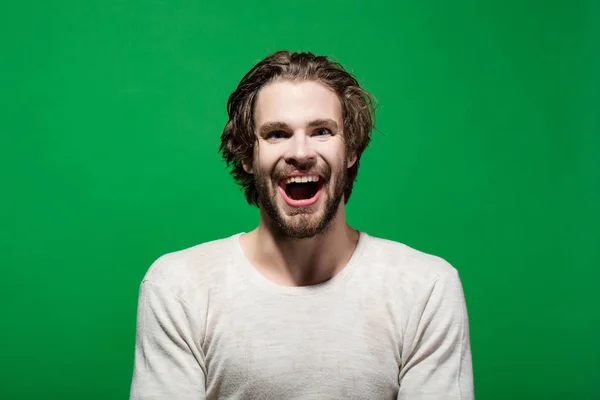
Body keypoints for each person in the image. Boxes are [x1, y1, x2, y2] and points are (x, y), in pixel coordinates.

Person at [129, 50, 474, 399]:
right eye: (277, 133)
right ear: (248, 156)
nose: (301, 152)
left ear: (351, 149)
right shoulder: (179, 289)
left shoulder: (425, 289)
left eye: (321, 131)